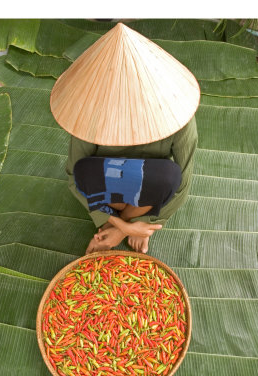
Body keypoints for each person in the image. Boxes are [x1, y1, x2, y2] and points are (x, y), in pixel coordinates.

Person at [50, 23, 200, 254]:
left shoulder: (178, 116)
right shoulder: (90, 112)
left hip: (148, 188)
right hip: (108, 184)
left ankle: (126, 219)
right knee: (83, 171)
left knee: (170, 177)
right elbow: (74, 178)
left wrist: (127, 227)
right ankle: (120, 219)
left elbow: (182, 186)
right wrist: (113, 223)